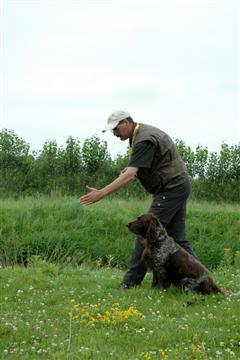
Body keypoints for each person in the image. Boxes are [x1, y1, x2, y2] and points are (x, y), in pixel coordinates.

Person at [80, 110, 195, 289]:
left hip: (170, 189)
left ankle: (130, 283)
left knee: (145, 233)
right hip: (178, 186)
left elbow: (130, 175)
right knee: (178, 239)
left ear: (126, 122)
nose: (114, 134)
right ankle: (200, 279)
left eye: (116, 129)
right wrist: (127, 171)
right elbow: (137, 168)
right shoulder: (142, 134)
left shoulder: (143, 140)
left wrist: (101, 193)